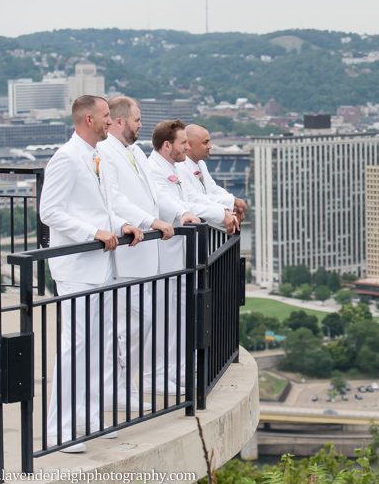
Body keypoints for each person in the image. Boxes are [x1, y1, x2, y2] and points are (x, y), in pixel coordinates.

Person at [39, 95, 143, 453]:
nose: (108, 121)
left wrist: (123, 224)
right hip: (77, 269)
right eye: (103, 116)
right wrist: (92, 233)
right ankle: (59, 430)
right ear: (87, 120)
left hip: (101, 267)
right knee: (75, 348)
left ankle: (91, 420)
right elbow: (49, 211)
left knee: (98, 348)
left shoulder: (95, 157)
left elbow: (105, 207)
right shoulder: (66, 158)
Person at [147, 119, 238, 393]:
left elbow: (194, 197)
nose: (187, 147)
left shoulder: (174, 168)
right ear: (167, 145)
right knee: (166, 319)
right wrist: (216, 214)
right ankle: (159, 375)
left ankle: (178, 370)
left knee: (180, 317)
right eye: (183, 143)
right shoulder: (156, 170)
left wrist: (226, 210)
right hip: (165, 255)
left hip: (181, 255)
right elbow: (180, 205)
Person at [97, 96, 174, 410]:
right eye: (137, 120)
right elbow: (113, 199)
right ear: (119, 121)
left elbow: (153, 195)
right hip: (126, 255)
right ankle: (115, 393)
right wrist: (148, 221)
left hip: (145, 256)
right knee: (123, 332)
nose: (141, 125)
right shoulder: (104, 153)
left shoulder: (136, 152)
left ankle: (127, 389)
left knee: (139, 328)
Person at [176, 124, 248, 222]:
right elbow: (193, 198)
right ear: (189, 144)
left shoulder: (201, 164)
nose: (210, 146)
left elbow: (212, 189)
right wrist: (231, 202)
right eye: (205, 143)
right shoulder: (179, 167)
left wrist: (233, 202)